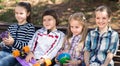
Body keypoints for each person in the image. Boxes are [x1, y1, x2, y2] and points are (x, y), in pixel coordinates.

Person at [0, 2, 35, 66]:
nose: (18, 15)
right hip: (7, 52)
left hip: (19, 55)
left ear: (28, 14)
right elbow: (4, 45)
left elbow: (28, 46)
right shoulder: (12, 27)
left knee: (2, 62)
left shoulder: (30, 27)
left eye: (21, 13)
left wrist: (13, 42)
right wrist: (4, 42)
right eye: (16, 13)